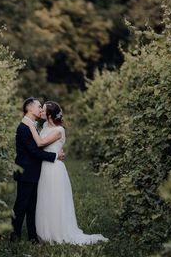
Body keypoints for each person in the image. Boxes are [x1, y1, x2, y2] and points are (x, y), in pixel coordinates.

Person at [22, 101, 108, 245]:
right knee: (44, 199)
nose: (41, 112)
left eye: (43, 110)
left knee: (54, 199)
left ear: (49, 115)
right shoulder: (43, 125)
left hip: (54, 169)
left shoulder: (59, 131)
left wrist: (29, 125)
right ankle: (43, 231)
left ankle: (56, 232)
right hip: (43, 167)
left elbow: (41, 143)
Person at [11, 98, 65, 243]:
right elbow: (35, 152)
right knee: (21, 205)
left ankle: (32, 236)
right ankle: (14, 235)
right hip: (26, 172)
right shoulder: (23, 127)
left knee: (31, 205)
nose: (41, 109)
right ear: (30, 109)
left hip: (34, 172)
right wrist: (55, 156)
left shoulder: (33, 126)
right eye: (39, 106)